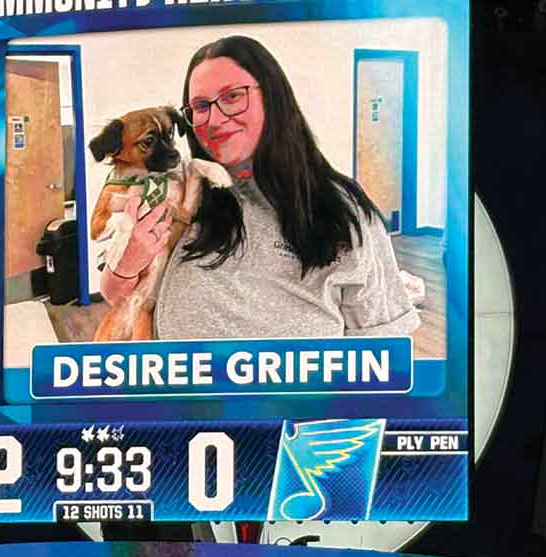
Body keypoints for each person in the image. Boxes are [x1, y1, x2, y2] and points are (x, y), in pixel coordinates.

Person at [99, 35, 420, 341]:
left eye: (233, 97)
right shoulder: (183, 191)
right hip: (178, 395)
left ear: (273, 97)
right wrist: (127, 264)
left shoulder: (343, 210)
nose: (214, 119)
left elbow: (383, 349)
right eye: (200, 106)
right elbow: (116, 295)